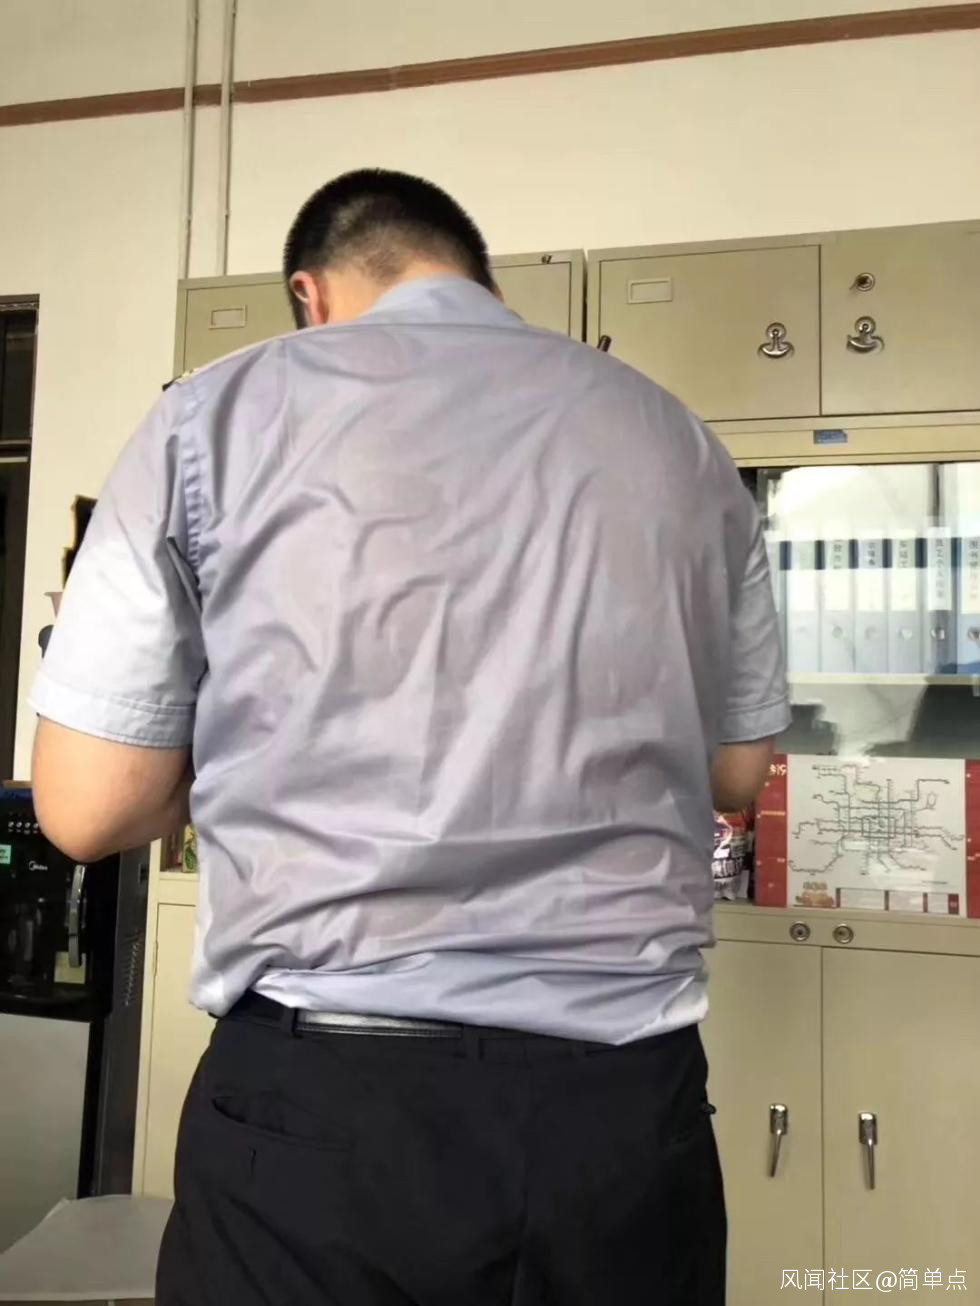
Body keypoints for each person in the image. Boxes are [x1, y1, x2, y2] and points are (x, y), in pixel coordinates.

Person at [31, 168, 789, 1305]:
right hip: (624, 1119)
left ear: (311, 295)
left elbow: (86, 810)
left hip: (326, 1118)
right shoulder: (677, 440)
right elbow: (735, 769)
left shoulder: (209, 419)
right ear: (483, 281)